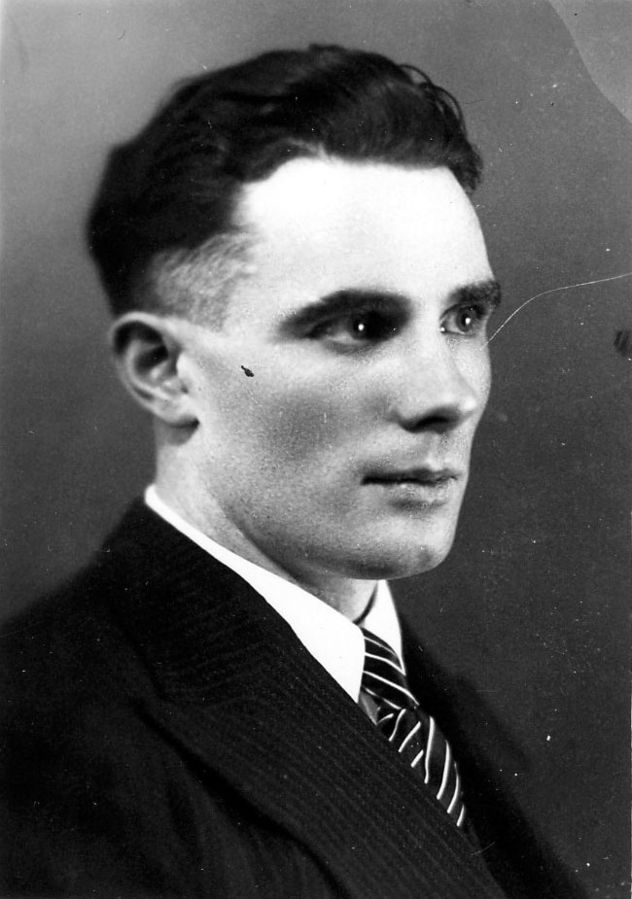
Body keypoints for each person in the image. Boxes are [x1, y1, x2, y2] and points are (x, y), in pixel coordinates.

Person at [1, 45, 582, 897]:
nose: (449, 396)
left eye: (463, 317)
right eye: (360, 326)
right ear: (164, 370)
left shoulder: (443, 710)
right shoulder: (50, 750)